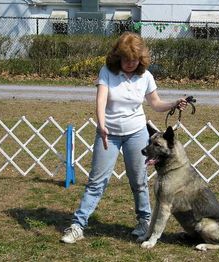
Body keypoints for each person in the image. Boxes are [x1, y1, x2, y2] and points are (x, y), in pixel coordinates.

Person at [61, 32, 187, 244]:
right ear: (118, 56)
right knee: (96, 181)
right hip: (107, 133)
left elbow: (155, 104)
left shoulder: (145, 76)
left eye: (134, 60)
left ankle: (143, 222)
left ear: (141, 59)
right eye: (126, 59)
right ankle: (77, 226)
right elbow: (100, 101)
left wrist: (174, 103)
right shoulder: (107, 72)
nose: (130, 63)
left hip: (137, 132)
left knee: (138, 181)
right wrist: (101, 125)